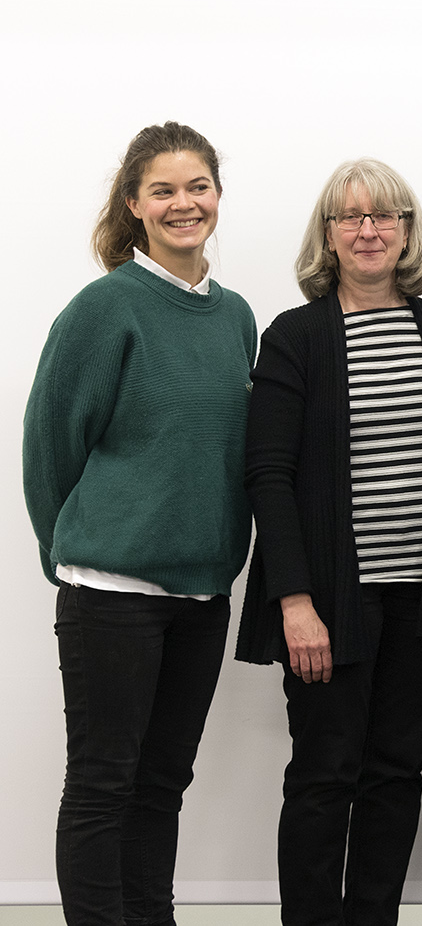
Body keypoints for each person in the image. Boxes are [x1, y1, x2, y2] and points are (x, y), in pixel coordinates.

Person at [23, 121, 257, 926]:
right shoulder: (106, 308)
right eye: (163, 190)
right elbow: (49, 448)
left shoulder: (235, 317)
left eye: (198, 187)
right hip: (111, 591)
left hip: (202, 593)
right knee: (102, 783)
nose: (183, 203)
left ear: (217, 196)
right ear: (134, 203)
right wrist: (75, 550)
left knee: (162, 785)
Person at [235, 159, 422, 926]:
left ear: (406, 229)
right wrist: (294, 601)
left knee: (395, 775)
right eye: (350, 216)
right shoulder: (296, 336)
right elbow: (268, 475)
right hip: (331, 601)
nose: (369, 229)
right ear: (328, 235)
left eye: (384, 214)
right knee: (324, 775)